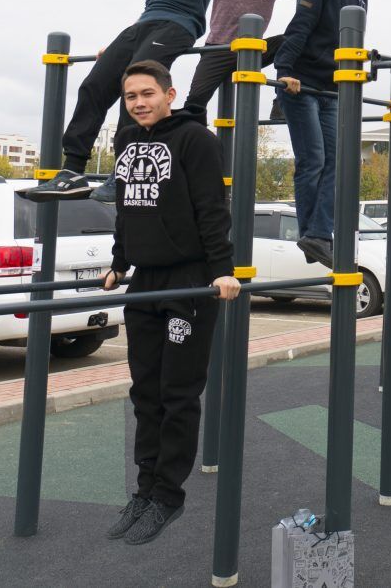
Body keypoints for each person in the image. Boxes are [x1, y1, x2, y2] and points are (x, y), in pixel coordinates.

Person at [101, 60, 240, 545]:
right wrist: (120, 262)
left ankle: (168, 496)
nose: (139, 102)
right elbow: (126, 205)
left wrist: (222, 270)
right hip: (146, 282)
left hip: (190, 281)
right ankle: (144, 489)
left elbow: (211, 208)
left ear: (169, 93)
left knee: (178, 392)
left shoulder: (195, 140)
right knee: (145, 391)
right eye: (131, 96)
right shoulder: (127, 141)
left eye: (147, 93)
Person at [24, 0, 226, 204]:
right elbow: (151, 1)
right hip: (145, 25)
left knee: (135, 85)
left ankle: (124, 171)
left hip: (180, 24)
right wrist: (125, 43)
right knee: (95, 84)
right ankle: (73, 169)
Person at [274, 0, 369, 269]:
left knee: (339, 160)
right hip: (301, 83)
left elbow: (353, 37)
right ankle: (312, 233)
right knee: (313, 159)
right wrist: (283, 71)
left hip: (332, 88)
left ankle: (317, 234)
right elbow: (300, 25)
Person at [185, 0, 311, 119]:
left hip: (253, 51)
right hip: (218, 49)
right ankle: (196, 141)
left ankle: (281, 102)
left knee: (293, 40)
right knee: (194, 102)